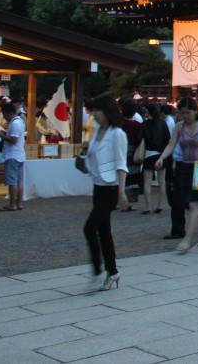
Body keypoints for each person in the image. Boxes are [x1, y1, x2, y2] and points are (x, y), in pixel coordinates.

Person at [155, 96, 198, 253]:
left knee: (194, 203)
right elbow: (171, 145)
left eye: (187, 113)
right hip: (184, 168)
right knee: (193, 204)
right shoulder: (179, 127)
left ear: (195, 111)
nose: (185, 116)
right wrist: (161, 158)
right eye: (182, 113)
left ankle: (187, 240)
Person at [81, 94, 129, 291]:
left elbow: (121, 164)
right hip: (98, 185)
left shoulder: (117, 134)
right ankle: (113, 271)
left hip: (110, 188)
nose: (95, 114)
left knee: (89, 228)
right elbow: (91, 158)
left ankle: (97, 268)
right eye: (94, 111)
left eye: (98, 110)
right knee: (104, 231)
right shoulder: (97, 132)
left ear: (107, 111)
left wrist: (121, 192)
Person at [137, 103, 170, 214]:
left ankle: (148, 206)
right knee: (162, 182)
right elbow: (168, 140)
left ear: (148, 113)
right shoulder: (163, 124)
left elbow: (139, 138)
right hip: (162, 155)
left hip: (149, 154)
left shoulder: (144, 124)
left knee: (147, 182)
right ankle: (160, 204)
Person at [0, 102, 26, 212]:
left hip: (12, 155)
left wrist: (1, 135)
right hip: (19, 154)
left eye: (4, 115)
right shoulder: (20, 122)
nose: (4, 117)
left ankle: (12, 204)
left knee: (12, 182)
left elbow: (13, 140)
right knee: (19, 181)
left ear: (10, 113)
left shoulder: (15, 124)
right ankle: (19, 203)